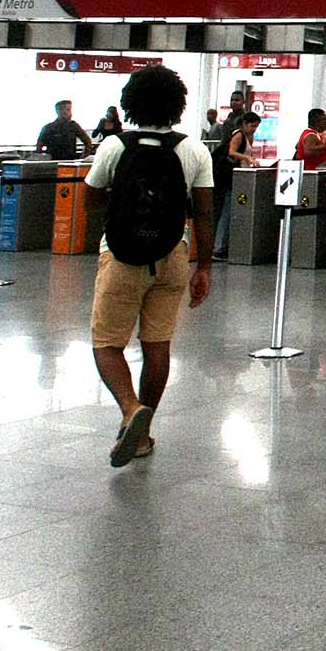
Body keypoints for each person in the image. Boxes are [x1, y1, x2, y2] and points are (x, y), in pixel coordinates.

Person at [82, 63, 214, 468]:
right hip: (172, 256)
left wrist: (123, 198)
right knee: (157, 345)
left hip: (121, 257)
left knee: (107, 344)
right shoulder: (193, 149)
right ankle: (143, 434)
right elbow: (204, 213)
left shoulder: (114, 146)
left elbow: (89, 201)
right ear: (178, 105)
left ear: (130, 102)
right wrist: (204, 267)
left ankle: (130, 408)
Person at [210, 90, 252, 259]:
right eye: (232, 99)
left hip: (228, 170)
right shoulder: (233, 125)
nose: (234, 102)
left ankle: (222, 245)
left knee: (227, 207)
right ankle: (220, 246)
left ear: (243, 101)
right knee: (225, 208)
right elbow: (230, 150)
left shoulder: (237, 121)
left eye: (237, 100)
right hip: (227, 171)